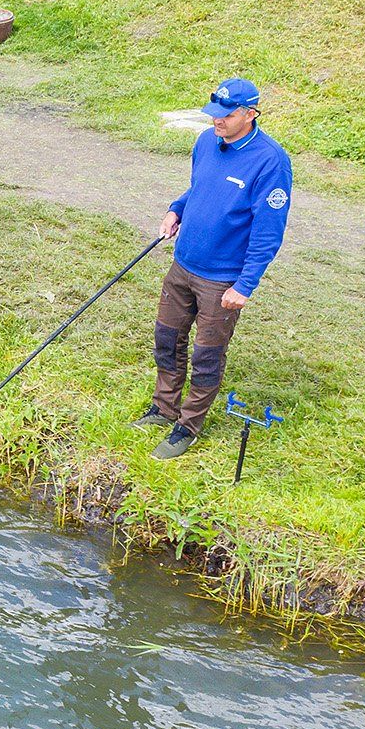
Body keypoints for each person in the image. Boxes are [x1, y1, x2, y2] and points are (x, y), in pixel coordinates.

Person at [137, 77, 292, 459]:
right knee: (166, 338)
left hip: (221, 279)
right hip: (184, 264)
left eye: (225, 115)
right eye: (213, 114)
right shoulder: (207, 142)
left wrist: (245, 285)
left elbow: (268, 232)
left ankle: (186, 426)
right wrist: (177, 208)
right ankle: (163, 407)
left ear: (250, 114)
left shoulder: (271, 162)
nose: (216, 121)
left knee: (207, 355)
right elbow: (200, 188)